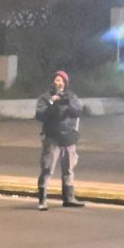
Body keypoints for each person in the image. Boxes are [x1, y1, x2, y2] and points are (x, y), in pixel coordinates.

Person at [34, 70, 84, 209]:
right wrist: (52, 103)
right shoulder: (45, 97)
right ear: (53, 82)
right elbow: (39, 114)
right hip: (52, 138)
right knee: (47, 169)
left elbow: (78, 111)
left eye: (61, 80)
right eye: (56, 80)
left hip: (68, 138)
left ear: (65, 83)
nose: (58, 83)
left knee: (69, 170)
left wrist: (68, 104)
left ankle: (69, 198)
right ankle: (42, 200)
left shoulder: (71, 96)